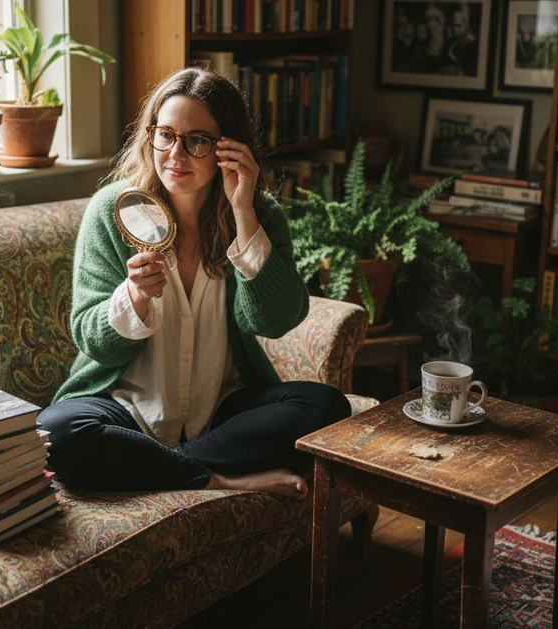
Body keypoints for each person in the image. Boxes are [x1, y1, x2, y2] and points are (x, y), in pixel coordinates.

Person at [38, 67, 351, 498]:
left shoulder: (261, 215)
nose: (175, 154)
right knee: (56, 433)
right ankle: (218, 478)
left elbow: (274, 320)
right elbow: (94, 342)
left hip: (222, 409)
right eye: (165, 134)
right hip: (125, 408)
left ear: (229, 148)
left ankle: (157, 467)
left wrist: (244, 211)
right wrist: (134, 297)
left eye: (197, 141)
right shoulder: (112, 210)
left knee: (326, 406)